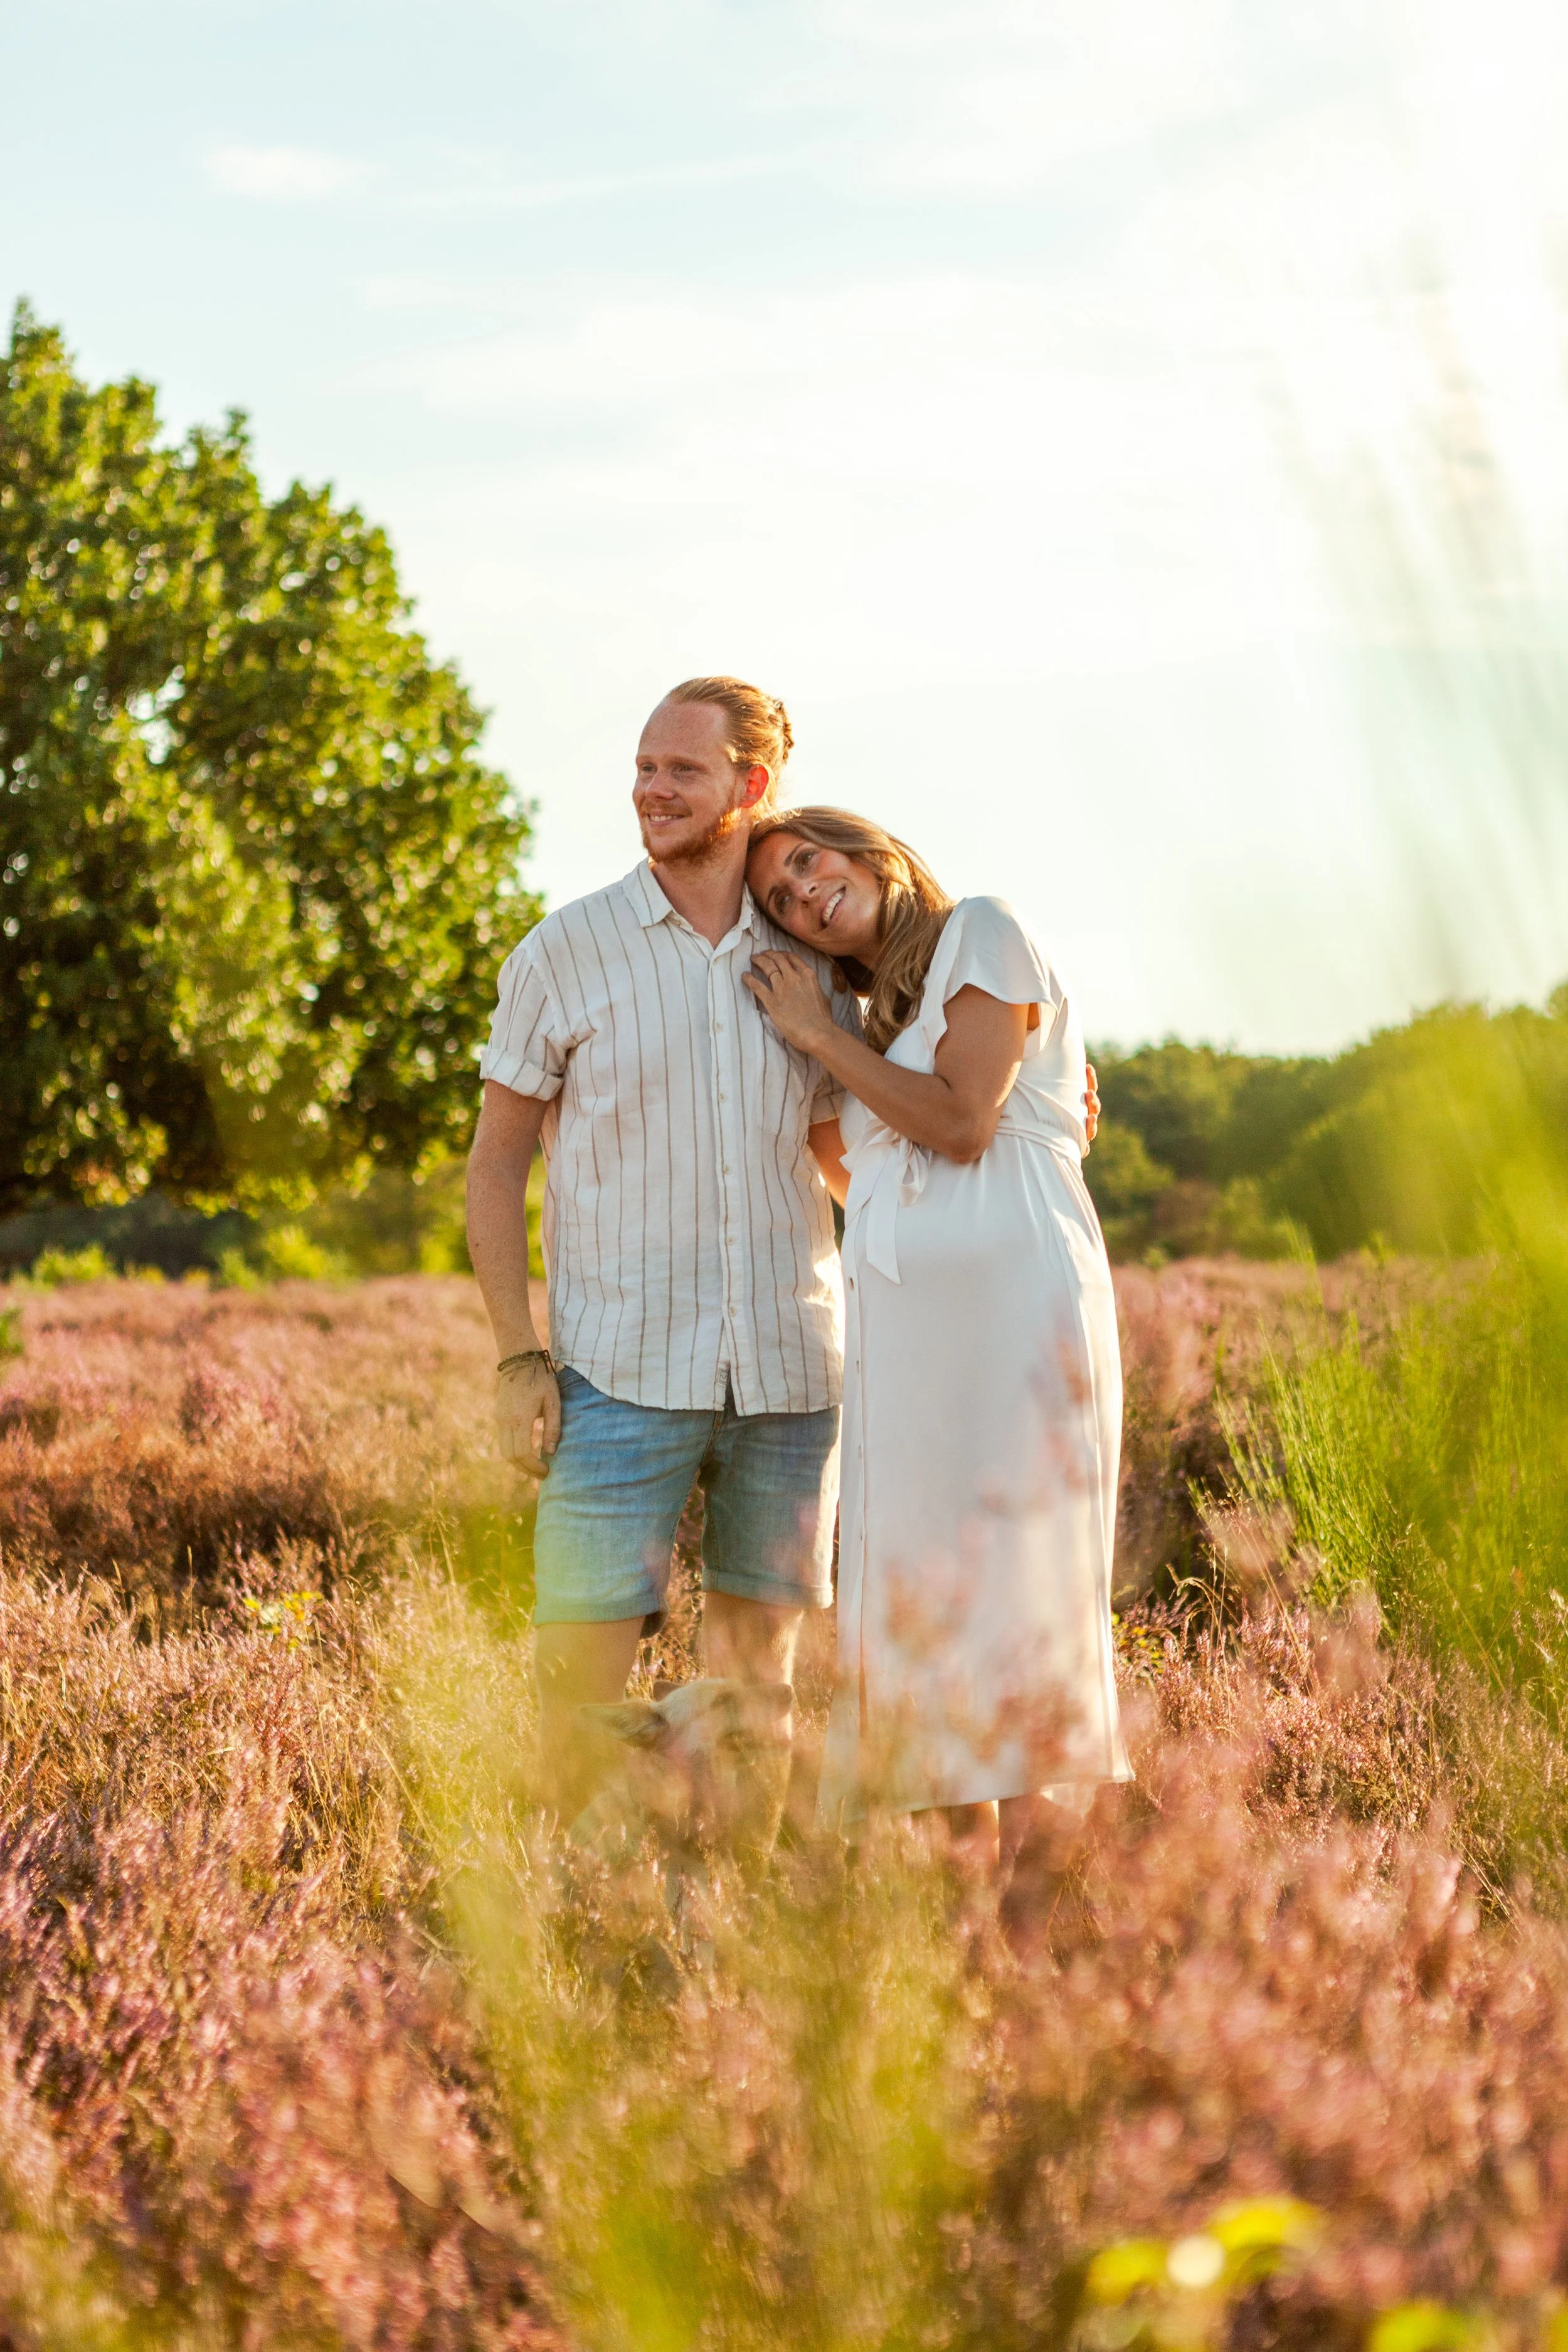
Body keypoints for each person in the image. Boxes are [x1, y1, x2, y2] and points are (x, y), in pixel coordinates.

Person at [465, 678, 859, 1801]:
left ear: (752, 785)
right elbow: (496, 1165)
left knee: (754, 1699)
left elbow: (857, 1150)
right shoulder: (563, 952)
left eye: (681, 770)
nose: (651, 789)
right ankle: (582, 1946)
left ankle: (726, 1954)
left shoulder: (817, 960)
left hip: (791, 1378)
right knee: (578, 1704)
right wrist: (514, 1354)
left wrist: (1032, 1093)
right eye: (644, 767)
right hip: (615, 1382)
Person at [743, 807, 1131, 1877]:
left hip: (1017, 1319)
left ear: (868, 852)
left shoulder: (983, 933)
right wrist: (845, 1055)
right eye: (779, 898)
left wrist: (820, 1041)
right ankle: (970, 1935)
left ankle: (1032, 1927)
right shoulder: (877, 1033)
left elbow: (962, 1124)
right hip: (909, 1347)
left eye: (809, 864)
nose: (804, 896)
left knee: (1024, 1596)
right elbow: (863, 1181)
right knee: (926, 1607)